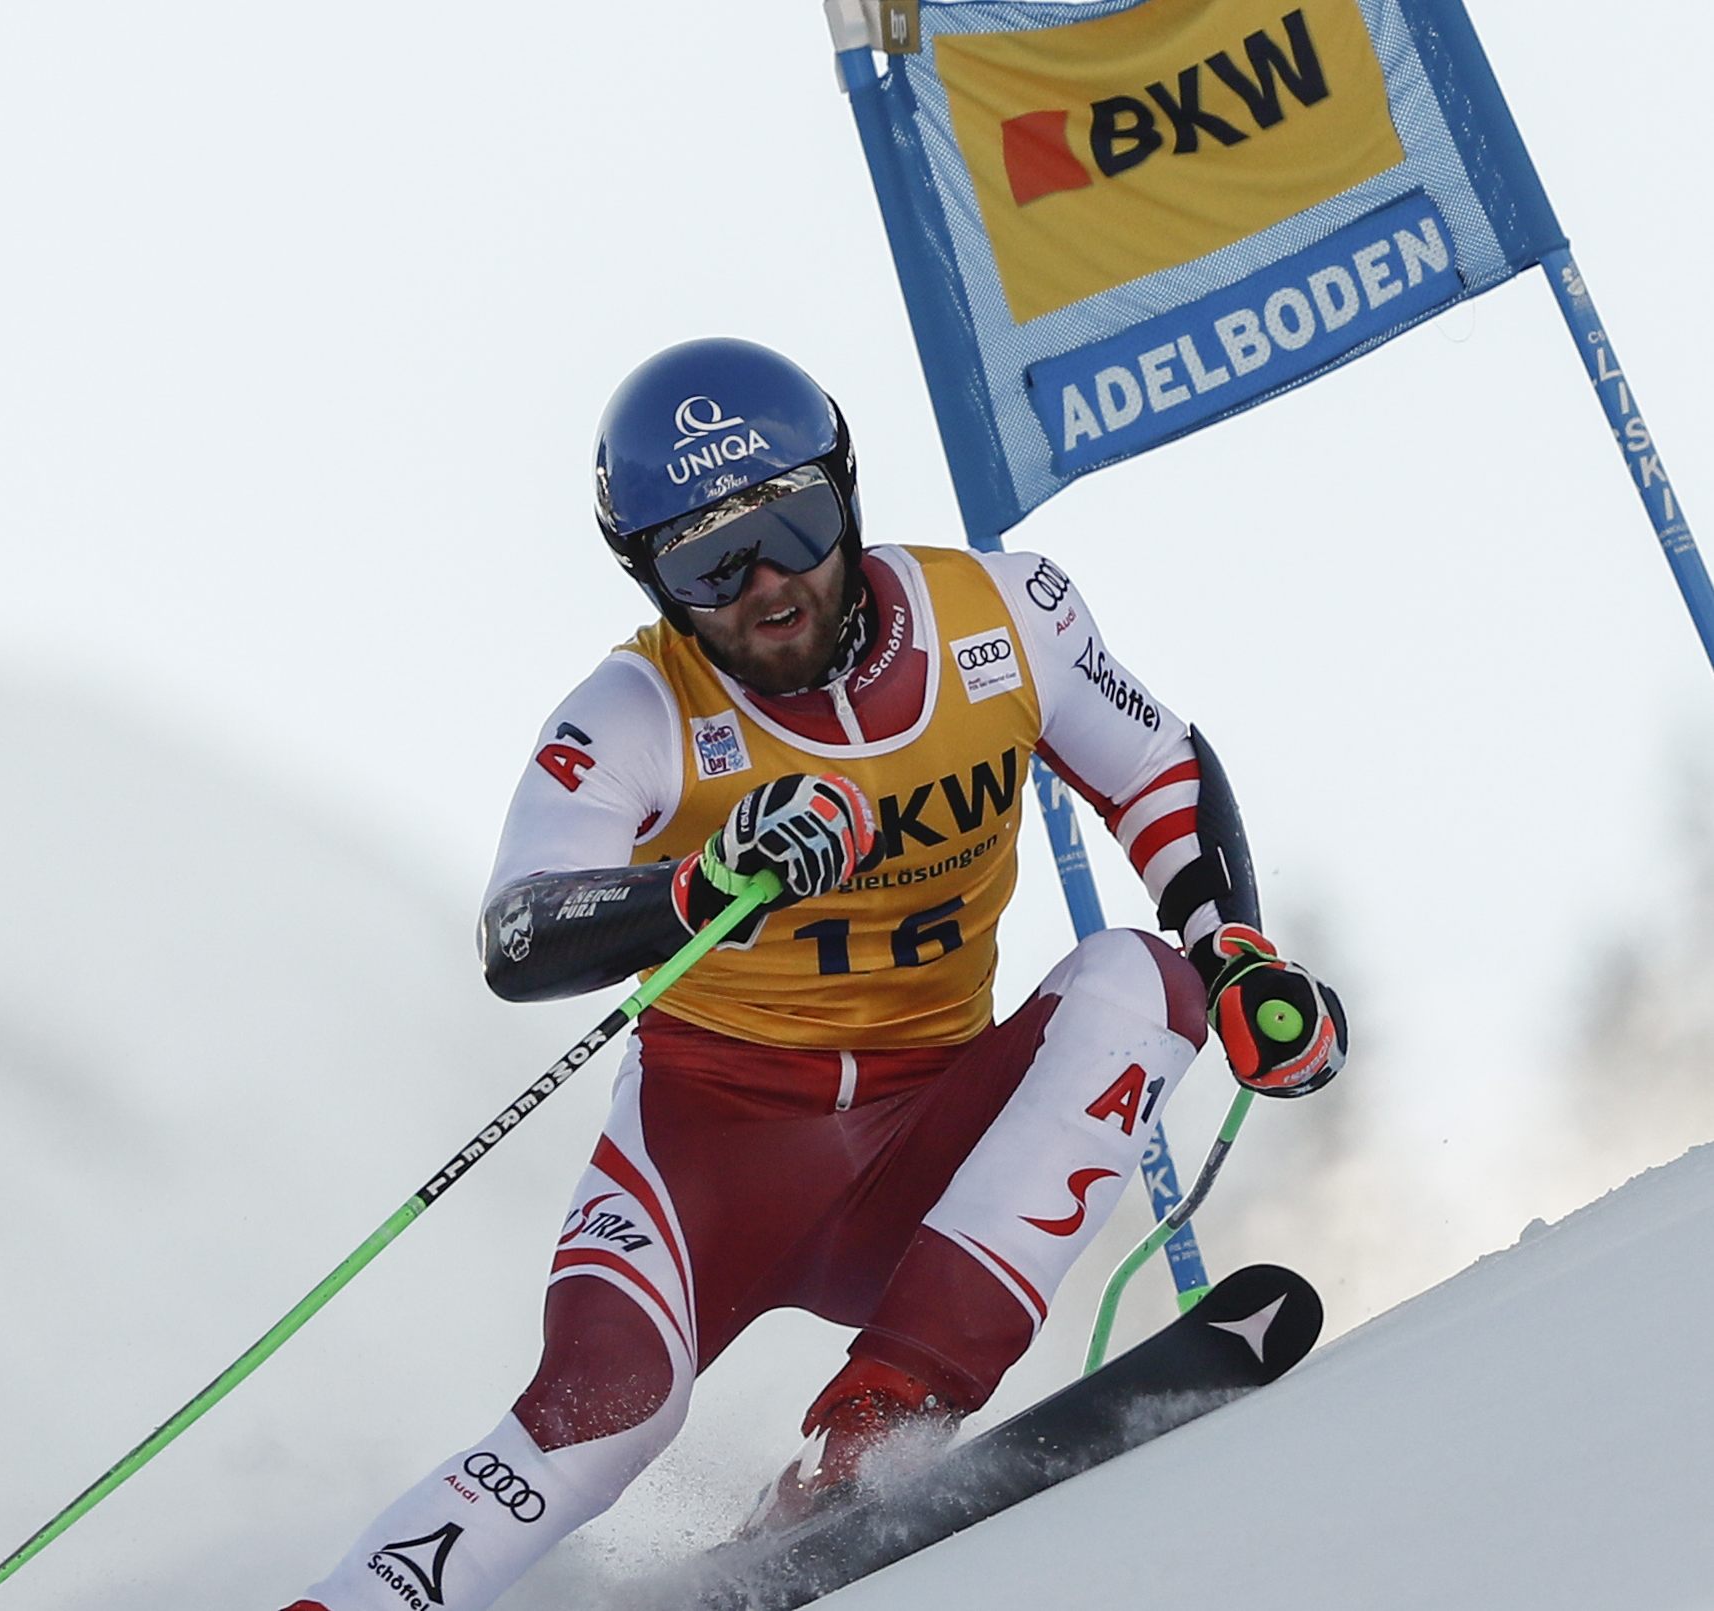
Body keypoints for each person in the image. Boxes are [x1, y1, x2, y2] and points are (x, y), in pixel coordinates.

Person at [287, 338, 1346, 1611]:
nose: (766, 583)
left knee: (1146, 983)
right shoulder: (630, 714)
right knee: (597, 1420)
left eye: (788, 519)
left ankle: (866, 1448)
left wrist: (1232, 945)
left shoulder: (1007, 616)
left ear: (844, 491)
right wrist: (698, 882)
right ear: (652, 579)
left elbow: (1158, 766)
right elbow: (517, 933)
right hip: (715, 1151)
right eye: (705, 560)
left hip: (939, 1132)